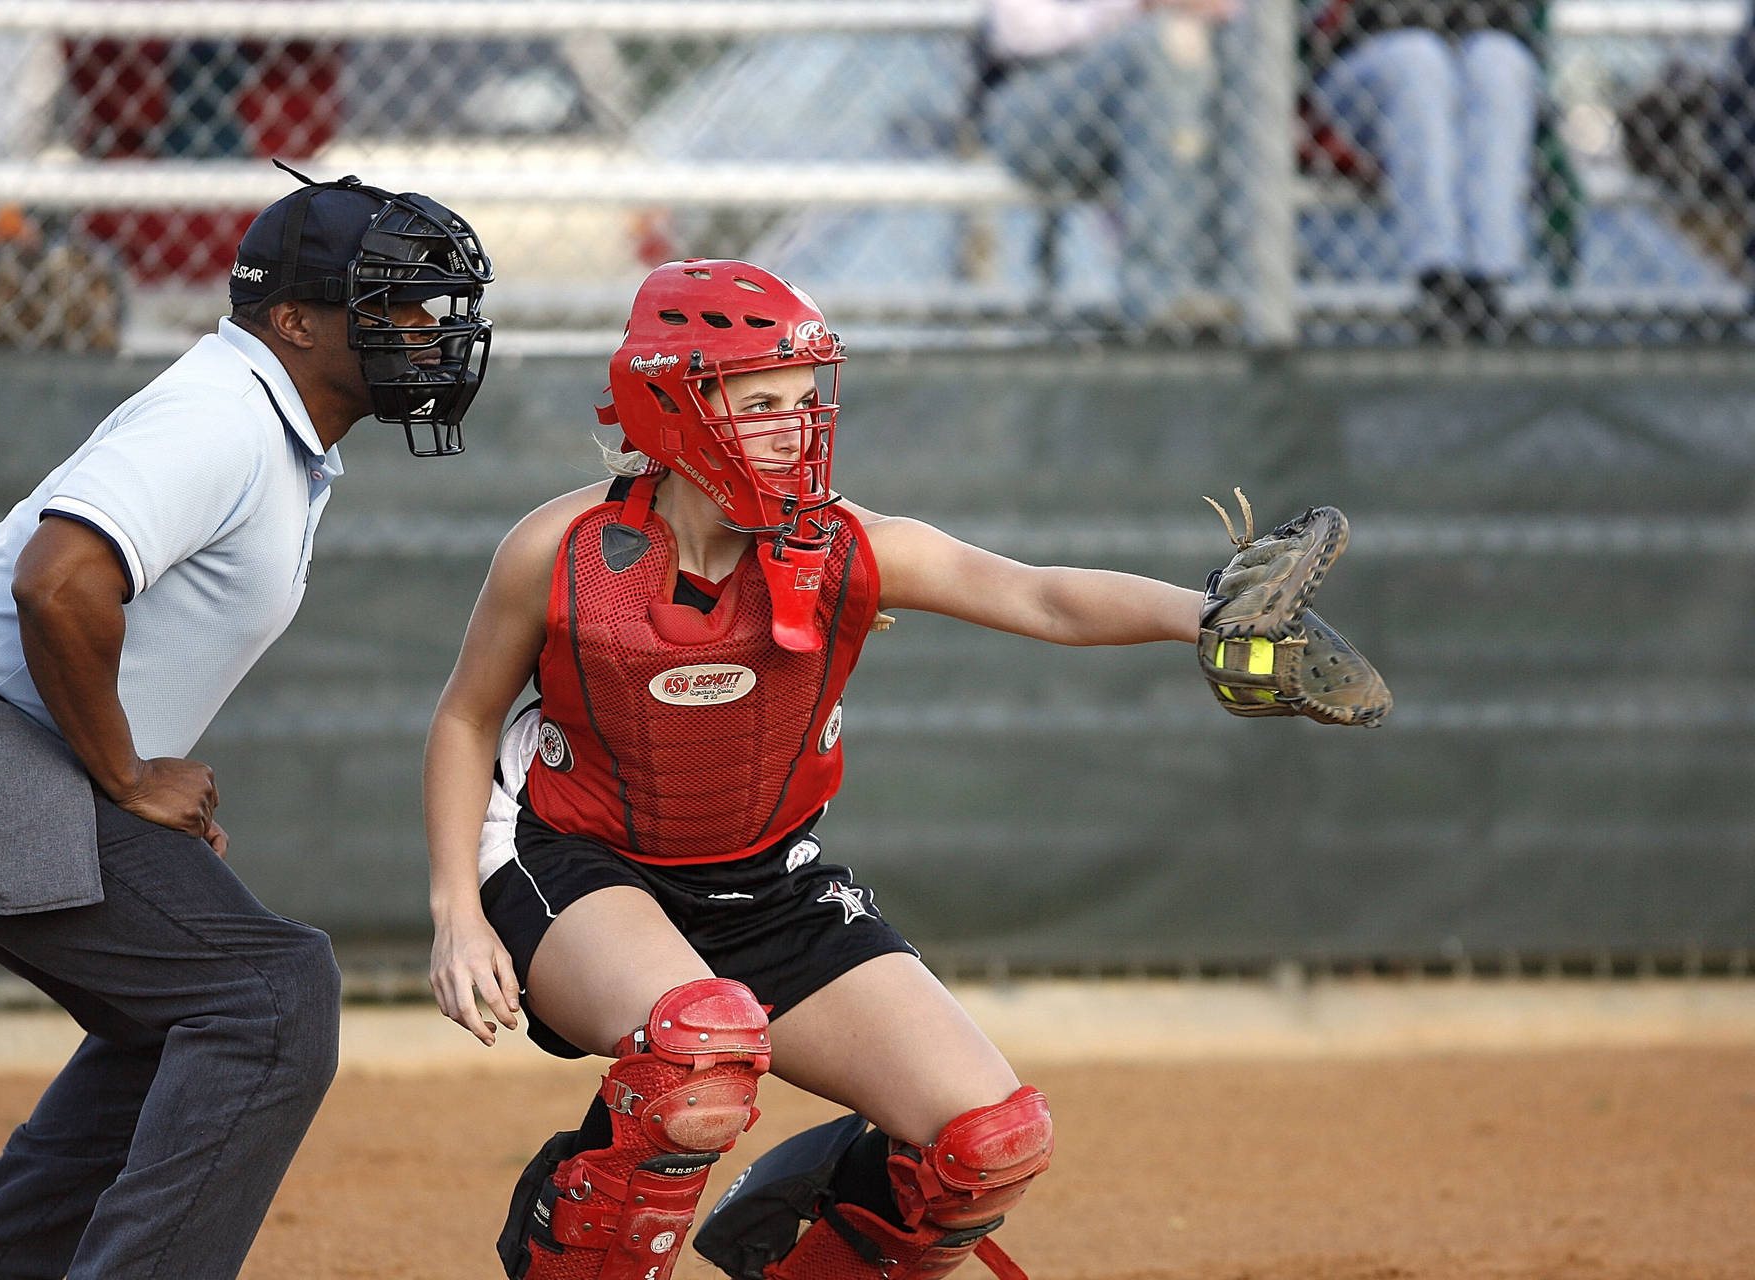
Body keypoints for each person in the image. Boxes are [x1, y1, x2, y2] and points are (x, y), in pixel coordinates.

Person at [422, 258, 1210, 1280]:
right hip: (578, 862)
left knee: (986, 1140)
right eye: (759, 404)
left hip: (767, 878)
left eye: (803, 400)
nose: (794, 428)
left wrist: (1207, 615)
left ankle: (786, 1233)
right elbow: (464, 717)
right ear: (669, 405)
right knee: (697, 1057)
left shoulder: (842, 541)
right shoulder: (561, 548)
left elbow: (1041, 597)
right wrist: (456, 908)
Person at [0, 166, 494, 1279]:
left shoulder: (259, 418)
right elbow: (58, 581)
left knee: (186, 1016)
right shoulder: (223, 413)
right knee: (272, 999)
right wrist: (126, 773)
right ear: (292, 320)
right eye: (392, 302)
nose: (426, 329)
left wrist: (117, 781)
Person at [980, 0, 1242, 334]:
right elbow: (1020, 30)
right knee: (1165, 39)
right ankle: (1161, 293)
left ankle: (1242, 287)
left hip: (1167, 95)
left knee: (1213, 43)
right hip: (1033, 102)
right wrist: (1137, 7)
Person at [1304, 0, 1545, 339]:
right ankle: (1439, 279)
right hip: (1365, 69)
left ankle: (1489, 281)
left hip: (1467, 64)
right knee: (1418, 56)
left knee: (1498, 59)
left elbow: (1510, 16)